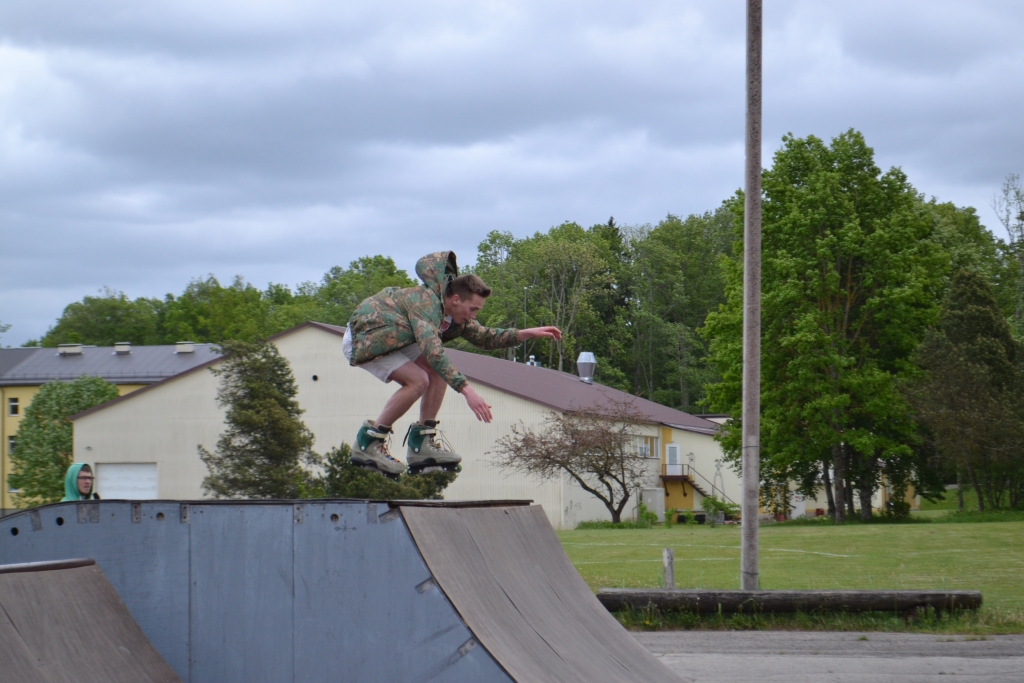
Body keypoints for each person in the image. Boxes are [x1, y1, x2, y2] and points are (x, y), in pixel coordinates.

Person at [344, 251, 561, 477]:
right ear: (456, 299)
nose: (473, 316)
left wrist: (524, 334)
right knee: (418, 380)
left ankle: (422, 445)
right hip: (366, 336)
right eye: (473, 309)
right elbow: (433, 351)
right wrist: (467, 390)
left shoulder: (455, 318)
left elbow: (486, 337)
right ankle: (368, 443)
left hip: (397, 337)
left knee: (437, 375)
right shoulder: (427, 303)